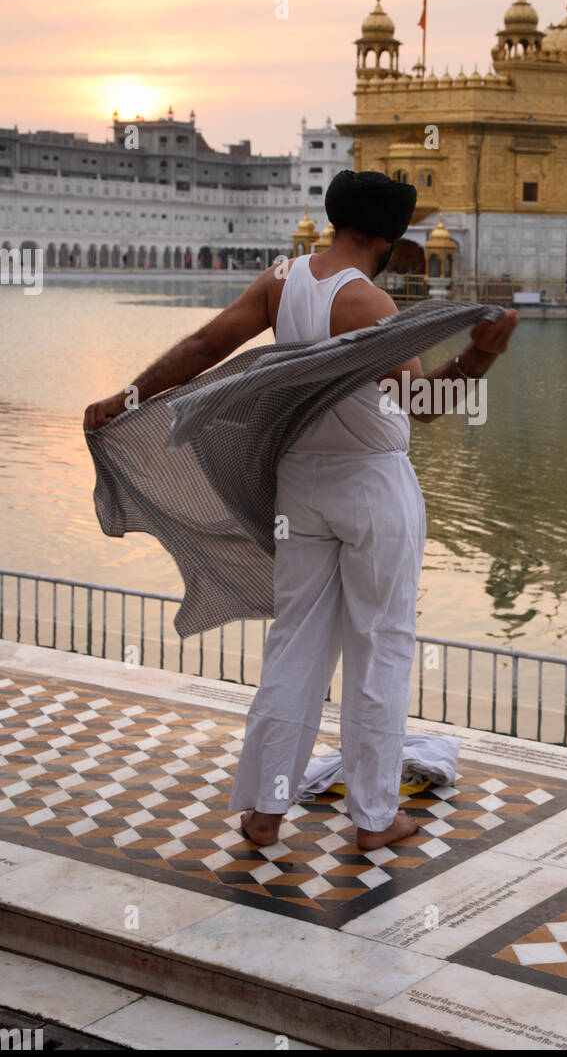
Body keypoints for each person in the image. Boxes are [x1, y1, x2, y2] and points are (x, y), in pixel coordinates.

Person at [84, 170, 518, 853]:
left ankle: (264, 811)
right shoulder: (367, 302)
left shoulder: (280, 280)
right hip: (371, 486)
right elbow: (425, 406)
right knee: (380, 646)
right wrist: (478, 358)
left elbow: (203, 350)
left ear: (335, 216)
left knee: (294, 646)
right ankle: (376, 819)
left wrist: (128, 395)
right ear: (389, 235)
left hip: (299, 488)